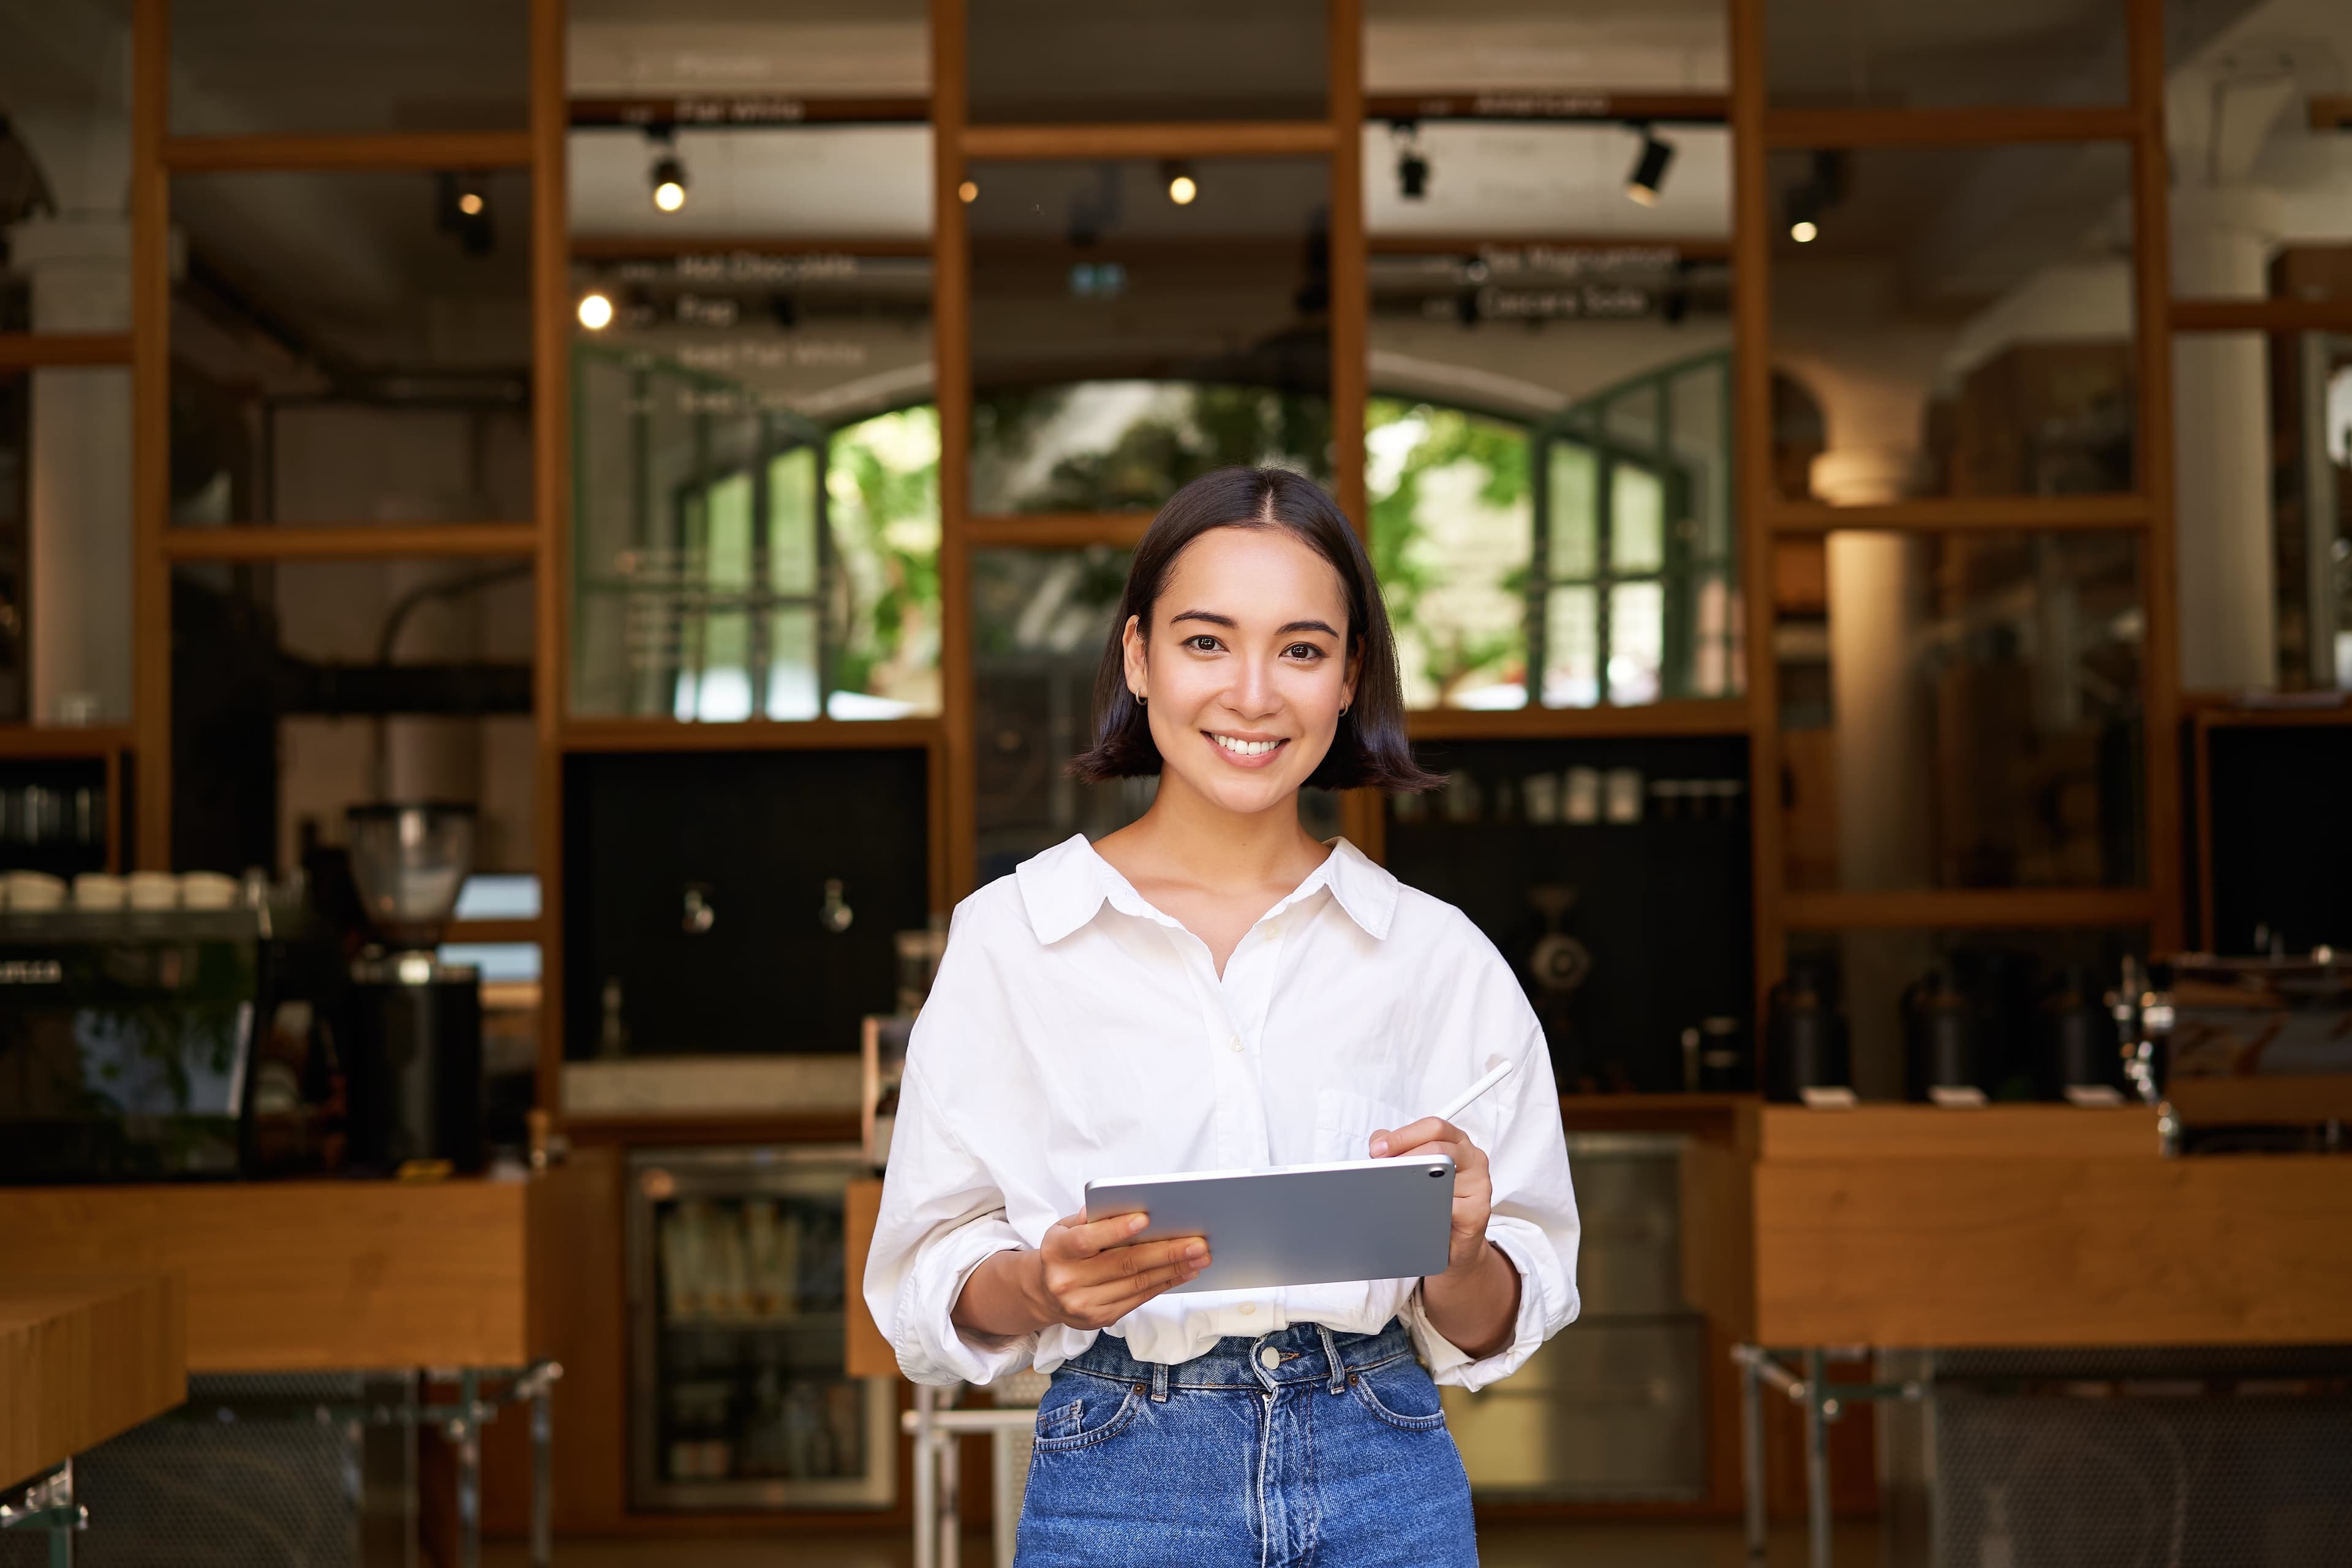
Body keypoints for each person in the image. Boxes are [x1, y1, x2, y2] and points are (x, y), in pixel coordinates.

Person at [864, 466, 1579, 1567]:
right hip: (1119, 1473)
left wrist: (1463, 1249)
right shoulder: (1014, 939)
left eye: (1302, 649)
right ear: (1139, 658)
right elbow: (926, 1284)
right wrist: (1041, 1283)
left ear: (1348, 681)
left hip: (1385, 1465)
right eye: (1207, 643)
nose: (1253, 693)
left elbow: (1491, 1323)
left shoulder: (1437, 957)